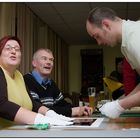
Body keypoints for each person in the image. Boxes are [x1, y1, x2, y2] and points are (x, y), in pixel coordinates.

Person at [0, 35, 74, 127]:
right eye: (8, 48)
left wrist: (50, 113)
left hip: (21, 132)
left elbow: (33, 103)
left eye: (17, 49)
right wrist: (40, 119)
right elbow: (2, 104)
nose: (13, 51)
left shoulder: (19, 75)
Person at [86, 7, 140, 119]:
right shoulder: (126, 46)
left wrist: (119, 106)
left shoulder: (135, 36)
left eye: (97, 36)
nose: (99, 42)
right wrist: (120, 102)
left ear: (106, 25)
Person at [24, 48, 93, 117]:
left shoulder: (51, 83)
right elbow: (38, 109)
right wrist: (71, 111)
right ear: (34, 63)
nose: (48, 62)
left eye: (51, 60)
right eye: (44, 58)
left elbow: (62, 104)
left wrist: (81, 109)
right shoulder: (27, 80)